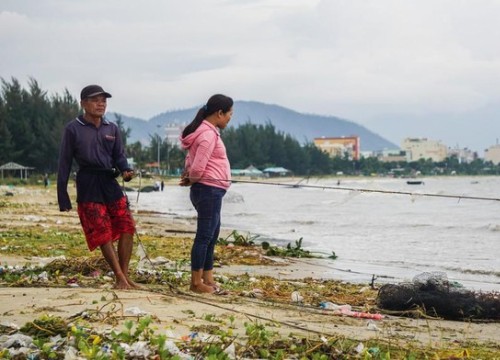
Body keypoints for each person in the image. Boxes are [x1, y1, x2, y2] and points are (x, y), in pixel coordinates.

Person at [57, 84, 140, 290]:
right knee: (102, 231)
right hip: (88, 183)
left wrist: (126, 170)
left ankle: (125, 275)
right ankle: (119, 277)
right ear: (83, 103)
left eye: (103, 100)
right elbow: (64, 163)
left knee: (127, 226)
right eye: (95, 100)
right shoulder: (73, 128)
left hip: (109, 183)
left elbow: (119, 156)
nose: (100, 104)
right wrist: (62, 195)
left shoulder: (111, 128)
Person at [179, 94, 233, 293]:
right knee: (204, 236)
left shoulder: (206, 131)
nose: (229, 118)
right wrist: (192, 178)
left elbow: (190, 160)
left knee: (212, 235)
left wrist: (190, 176)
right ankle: (196, 283)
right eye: (229, 114)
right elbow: (198, 166)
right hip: (208, 190)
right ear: (219, 113)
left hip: (212, 190)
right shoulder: (207, 134)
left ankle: (207, 278)